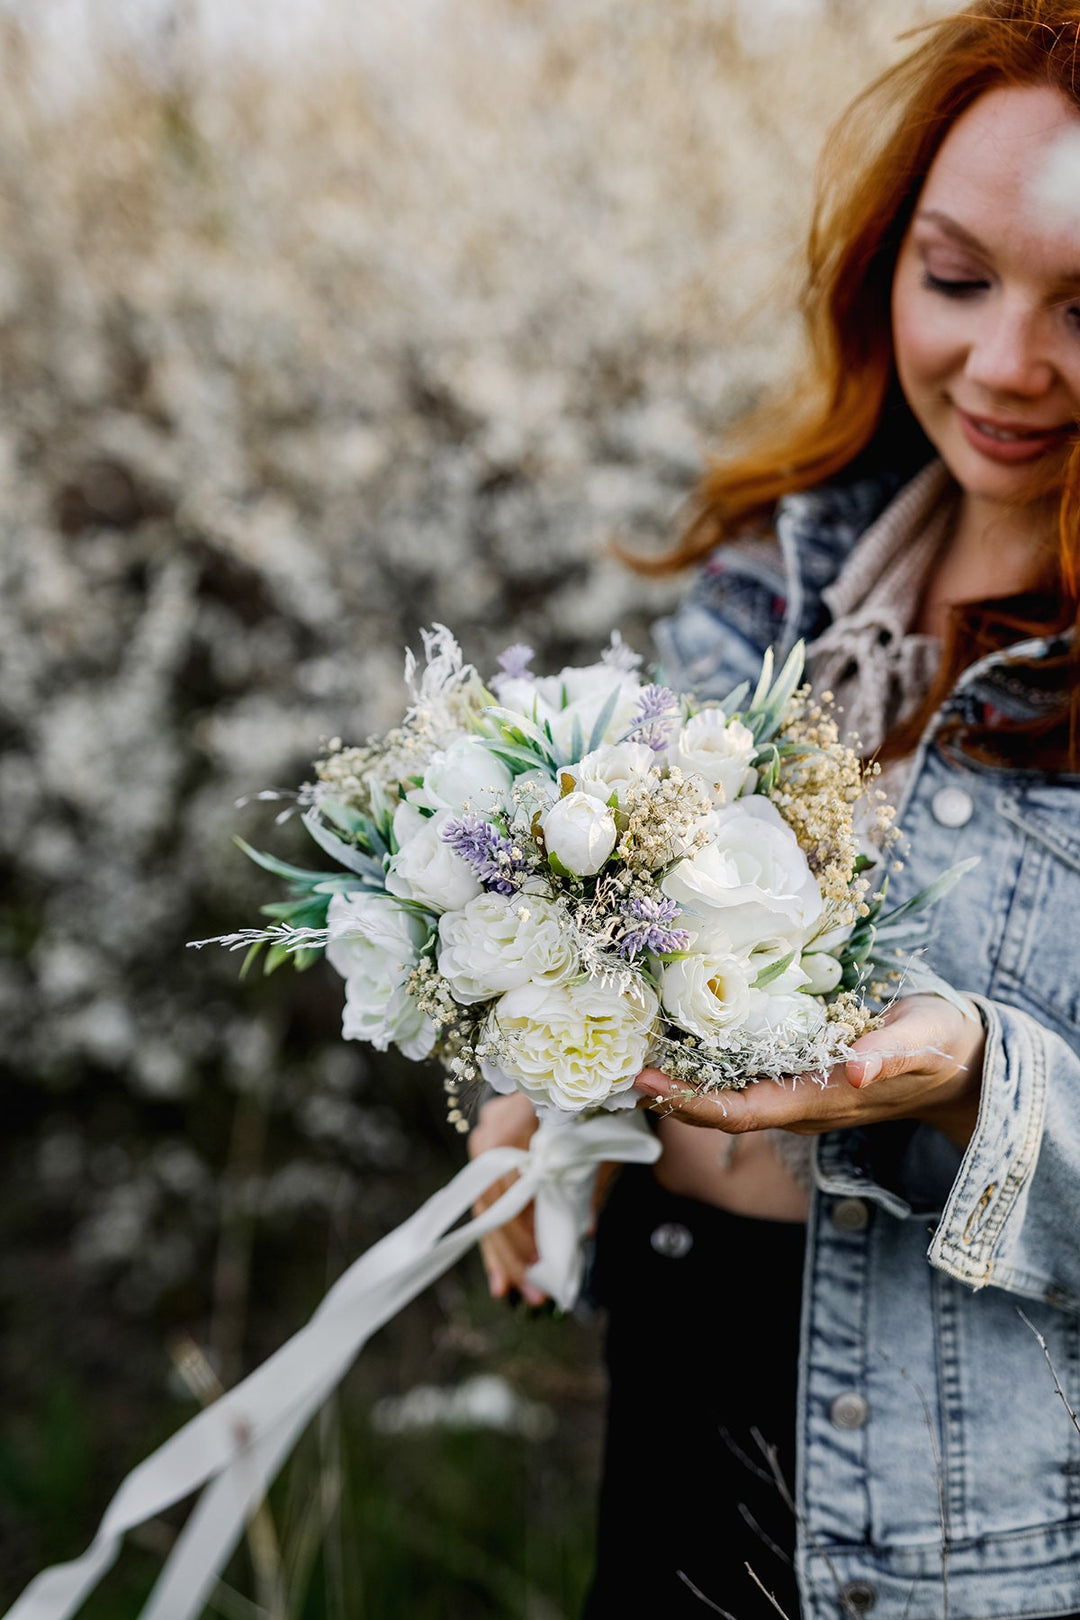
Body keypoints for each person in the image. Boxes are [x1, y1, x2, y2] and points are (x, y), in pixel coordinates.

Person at [469, 3, 1080, 1616]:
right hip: (688, 1375)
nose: (1007, 364)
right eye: (957, 277)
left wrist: (970, 1088)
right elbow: (631, 922)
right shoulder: (778, 582)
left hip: (976, 1534)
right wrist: (548, 1075)